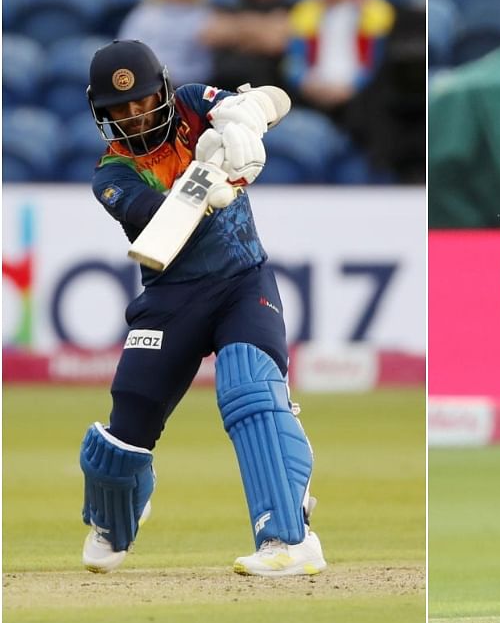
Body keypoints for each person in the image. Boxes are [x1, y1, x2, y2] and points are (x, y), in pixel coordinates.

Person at [79, 39, 326, 578]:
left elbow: (278, 98)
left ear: (162, 91)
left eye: (142, 101)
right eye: (119, 109)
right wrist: (206, 181)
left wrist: (243, 119)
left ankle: (289, 539)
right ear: (103, 116)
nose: (135, 115)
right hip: (171, 298)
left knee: (249, 390)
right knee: (126, 428)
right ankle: (116, 515)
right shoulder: (112, 176)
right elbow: (163, 222)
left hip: (242, 281)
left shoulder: (194, 102)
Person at [283, 0, 394, 123]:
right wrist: (305, 82)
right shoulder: (304, 11)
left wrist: (352, 86)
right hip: (313, 90)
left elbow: (376, 61)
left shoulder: (377, 11)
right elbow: (294, 59)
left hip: (359, 93)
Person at [203, 0, 292, 92]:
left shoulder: (289, 4)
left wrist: (236, 31)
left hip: (267, 87)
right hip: (223, 84)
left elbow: (277, 42)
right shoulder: (232, 0)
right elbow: (211, 34)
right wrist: (264, 27)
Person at [119, 0, 214, 86]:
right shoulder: (143, 15)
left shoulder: (206, 17)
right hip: (147, 85)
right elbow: (126, 53)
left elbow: (206, 65)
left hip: (190, 88)